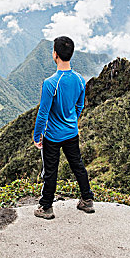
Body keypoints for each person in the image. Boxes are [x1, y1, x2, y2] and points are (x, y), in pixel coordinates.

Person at [32, 36, 95, 220]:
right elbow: (79, 106)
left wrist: (37, 136)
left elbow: (43, 113)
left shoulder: (50, 83)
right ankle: (87, 200)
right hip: (71, 132)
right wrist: (72, 121)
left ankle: (46, 207)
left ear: (55, 54)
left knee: (50, 171)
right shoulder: (80, 79)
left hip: (52, 135)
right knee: (78, 165)